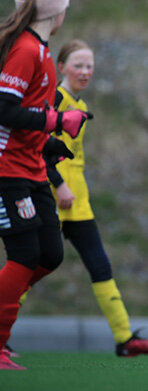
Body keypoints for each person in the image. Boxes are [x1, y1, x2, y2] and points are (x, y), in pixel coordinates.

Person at [21, 39, 148, 358]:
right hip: (51, 196)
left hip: (78, 202)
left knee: (100, 266)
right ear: (61, 67)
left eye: (90, 67)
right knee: (29, 264)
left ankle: (125, 339)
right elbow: (35, 146)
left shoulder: (80, 105)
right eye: (78, 65)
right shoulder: (54, 98)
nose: (85, 72)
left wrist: (73, 190)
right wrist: (58, 185)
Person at [0, 0, 91, 370]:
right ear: (57, 11)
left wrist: (49, 144)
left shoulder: (41, 50)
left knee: (50, 254)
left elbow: (23, 116)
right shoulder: (25, 49)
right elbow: (5, 110)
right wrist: (55, 120)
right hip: (8, 173)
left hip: (33, 168)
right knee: (23, 256)